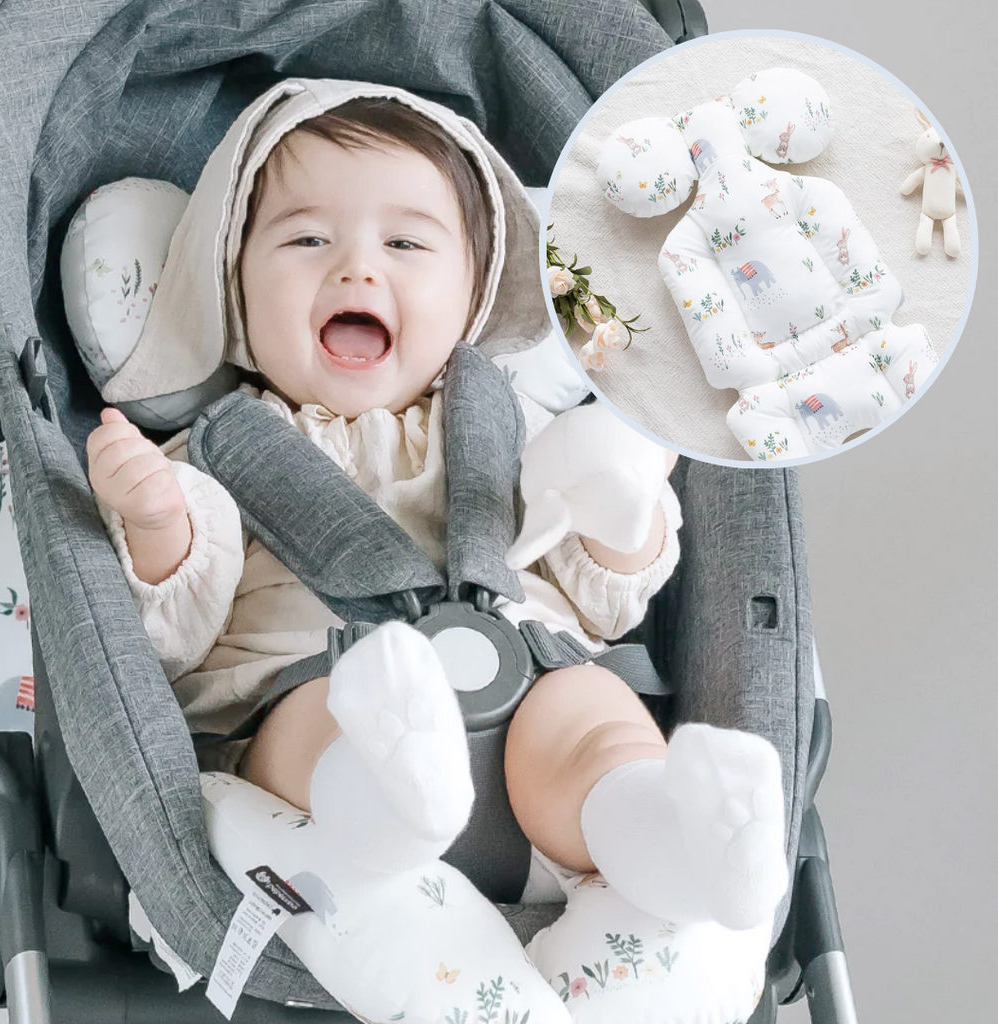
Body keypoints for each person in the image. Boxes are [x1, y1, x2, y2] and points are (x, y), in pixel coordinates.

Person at [84, 84, 787, 973]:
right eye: (306, 240)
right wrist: (156, 523)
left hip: (532, 692)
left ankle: (670, 840)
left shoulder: (506, 427)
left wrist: (621, 507)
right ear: (234, 288)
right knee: (318, 727)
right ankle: (388, 798)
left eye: (406, 243)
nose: (356, 269)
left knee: (597, 722)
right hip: (320, 705)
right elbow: (175, 629)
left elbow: (602, 600)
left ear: (473, 295)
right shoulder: (217, 450)